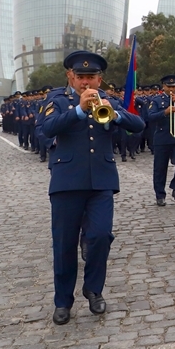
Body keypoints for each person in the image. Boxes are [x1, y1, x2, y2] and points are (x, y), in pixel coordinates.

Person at [42, 51, 144, 325]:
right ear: (71, 77)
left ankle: (93, 289)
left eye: (91, 77)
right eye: (81, 77)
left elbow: (138, 124)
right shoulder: (57, 101)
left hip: (101, 181)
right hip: (67, 182)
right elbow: (47, 128)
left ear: (100, 79)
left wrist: (116, 114)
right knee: (64, 244)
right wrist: (78, 110)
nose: (86, 82)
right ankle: (63, 301)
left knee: (100, 236)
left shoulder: (108, 100)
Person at [148, 75, 175, 206]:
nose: (172, 89)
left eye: (174, 86)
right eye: (169, 86)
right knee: (160, 168)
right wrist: (165, 112)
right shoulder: (157, 100)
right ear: (163, 86)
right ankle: (160, 195)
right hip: (163, 137)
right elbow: (150, 116)